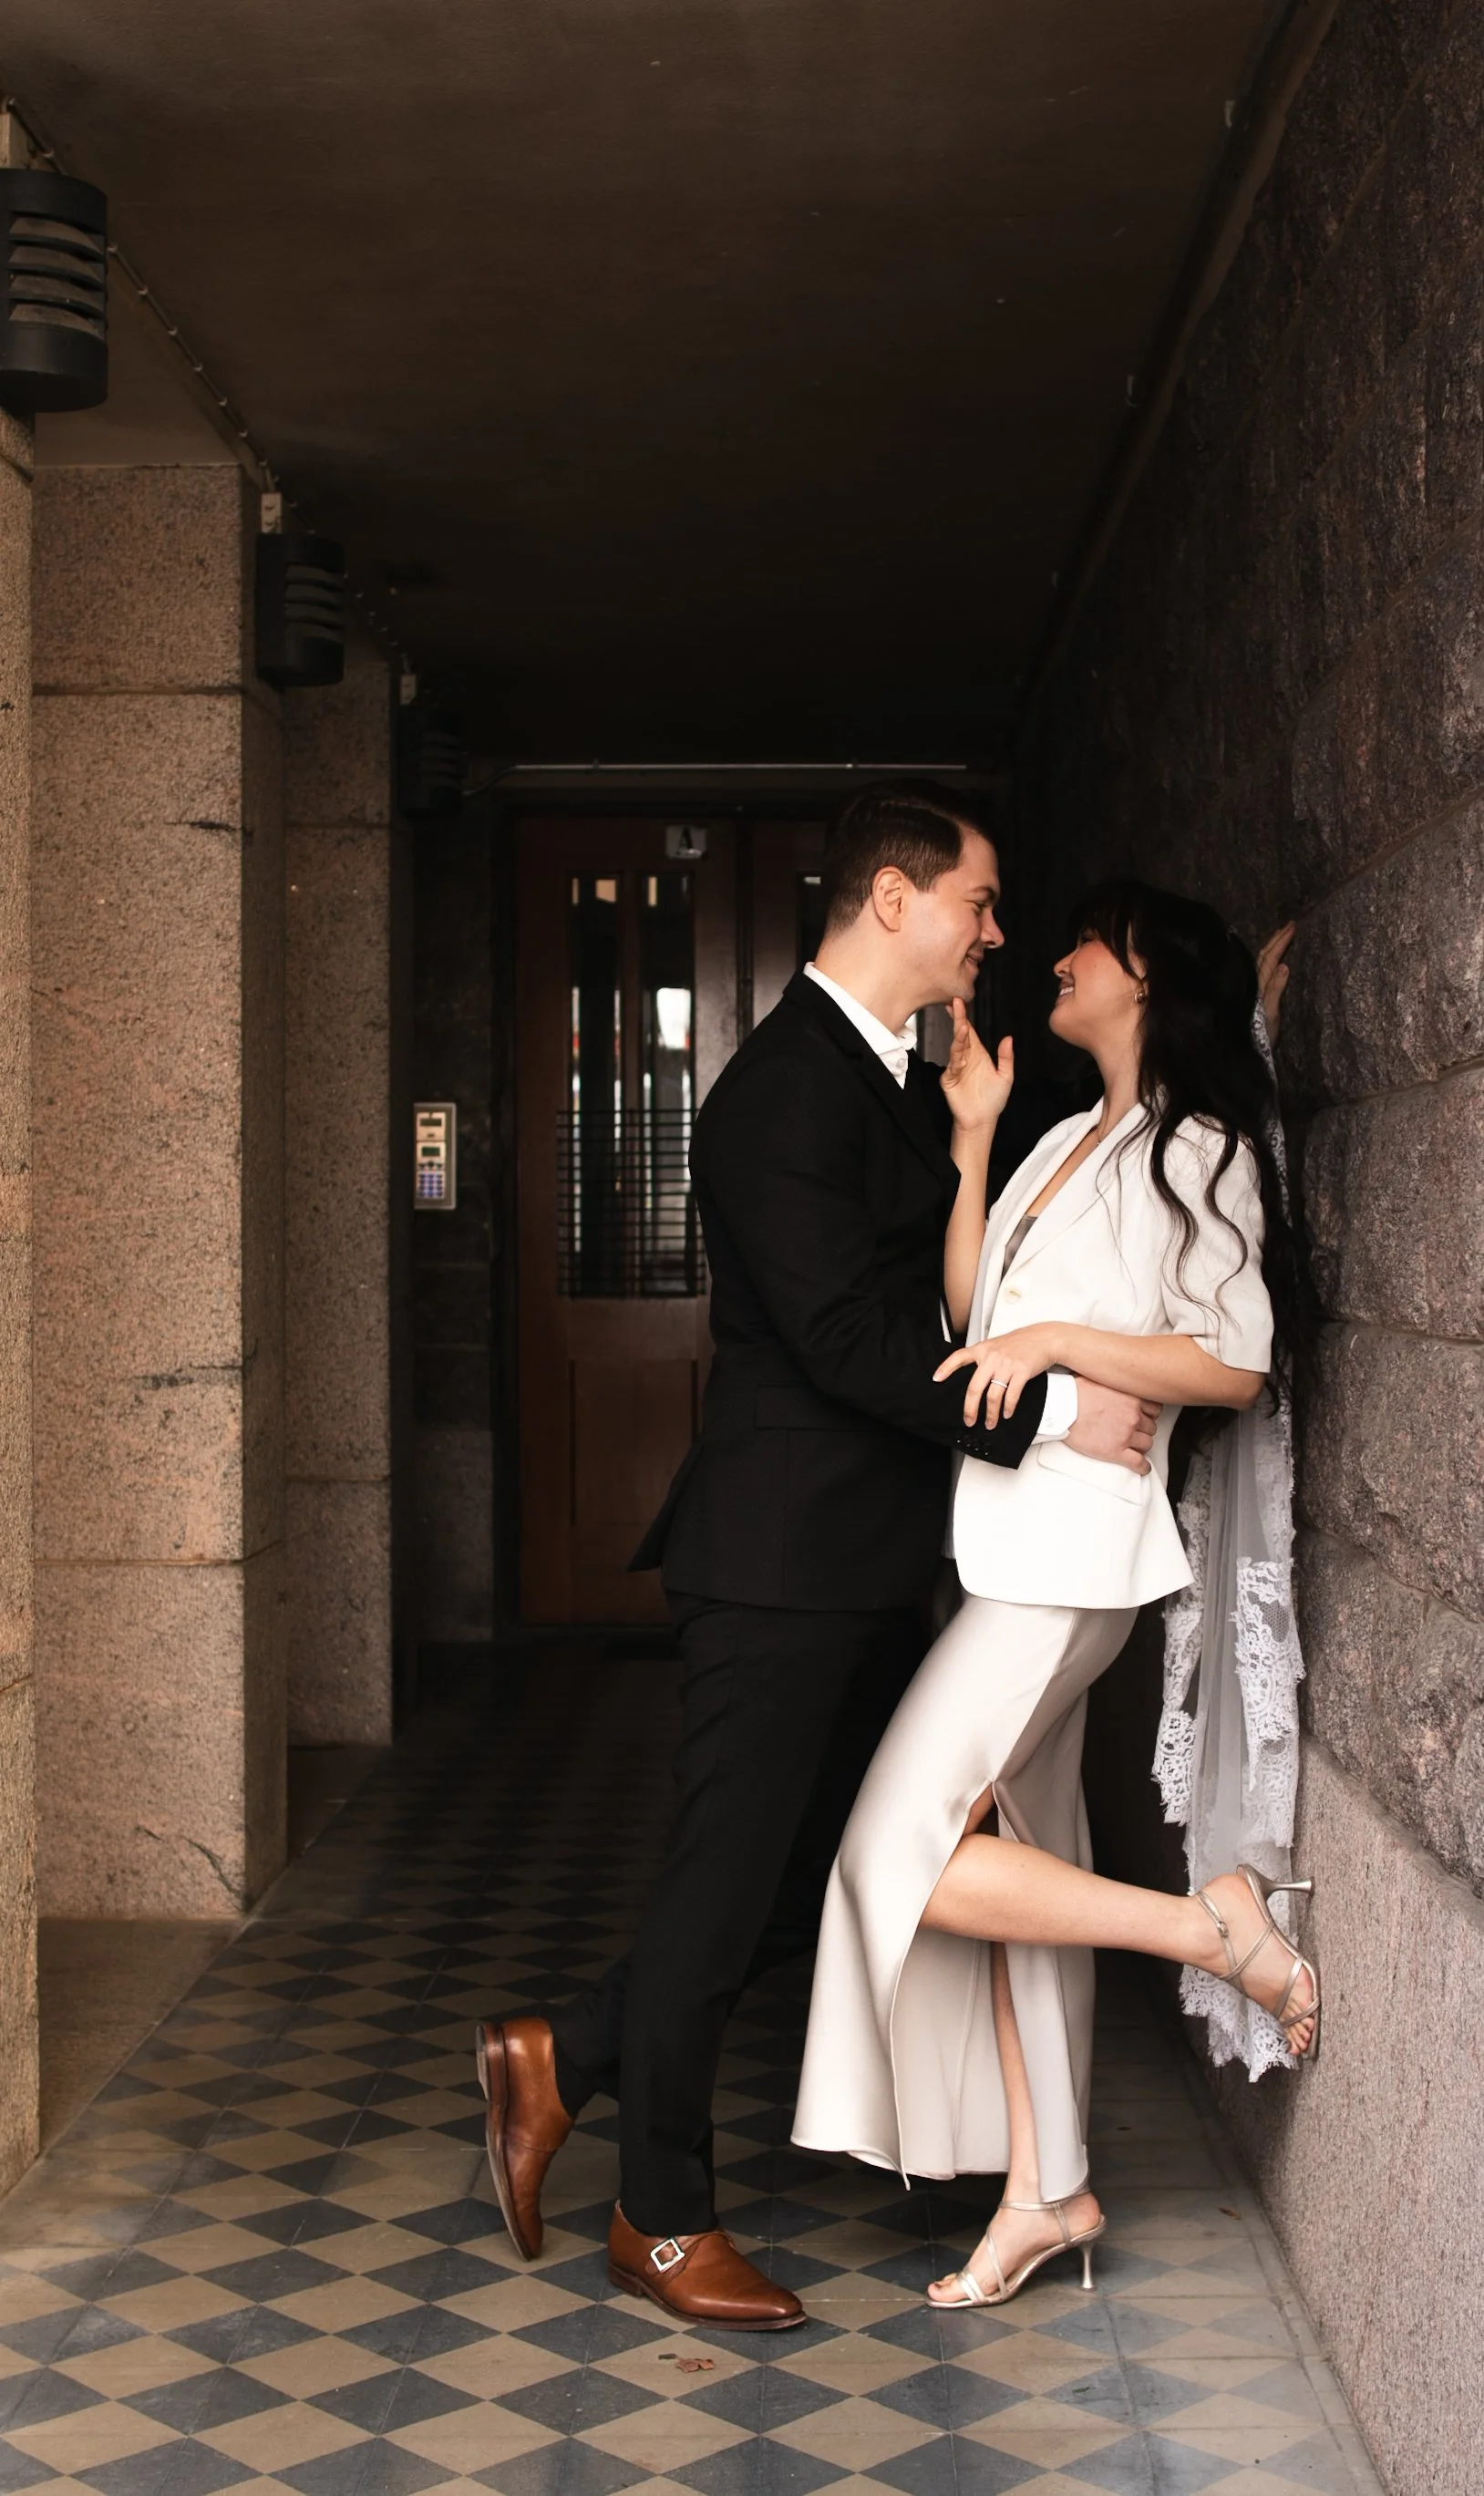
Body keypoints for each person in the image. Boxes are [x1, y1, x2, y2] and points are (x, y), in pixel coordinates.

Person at [474, 783, 1159, 2328]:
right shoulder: (777, 1092)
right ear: (895, 899)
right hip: (779, 1560)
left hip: (867, 1564)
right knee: (728, 1893)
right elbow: (857, 1343)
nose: (997, 931)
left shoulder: (902, 1082)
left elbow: (937, 1294)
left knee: (831, 1881)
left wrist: (974, 1137)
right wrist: (1059, 1411)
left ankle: (564, 2054)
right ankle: (657, 2214)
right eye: (980, 901)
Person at [792, 879, 1319, 2310]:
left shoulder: (1200, 1149)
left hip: (1077, 1556)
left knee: (892, 1848)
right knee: (1025, 1846)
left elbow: (1234, 1361)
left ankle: (1211, 1930)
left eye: (1087, 943)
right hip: (1009, 1536)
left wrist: (1083, 1348)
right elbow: (974, 1326)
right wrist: (972, 1141)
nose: (1056, 957)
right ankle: (1047, 2184)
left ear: (1143, 979)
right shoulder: (1057, 1139)